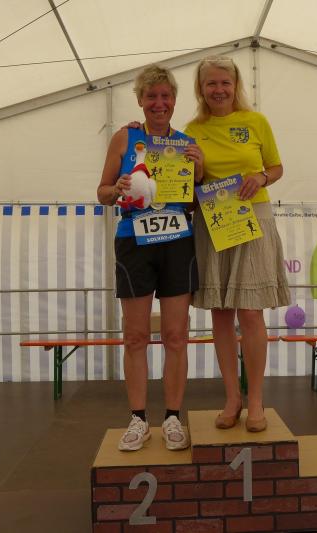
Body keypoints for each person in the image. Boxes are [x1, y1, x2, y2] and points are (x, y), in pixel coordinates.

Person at [96, 65, 204, 450]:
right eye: (151, 96)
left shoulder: (186, 143)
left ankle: (173, 417)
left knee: (176, 335)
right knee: (136, 336)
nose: (159, 103)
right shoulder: (125, 137)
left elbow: (195, 203)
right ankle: (138, 419)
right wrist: (117, 188)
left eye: (165, 96)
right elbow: (102, 193)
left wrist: (199, 169)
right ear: (140, 100)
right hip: (134, 242)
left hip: (177, 242)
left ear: (174, 100)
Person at [184, 55, 290, 432]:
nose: (218, 90)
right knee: (220, 313)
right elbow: (187, 185)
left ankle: (256, 399)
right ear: (201, 89)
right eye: (211, 83)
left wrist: (261, 178)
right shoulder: (192, 130)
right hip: (214, 221)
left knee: (250, 312)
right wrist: (196, 171)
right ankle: (232, 398)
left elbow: (276, 167)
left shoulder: (256, 121)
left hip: (254, 219)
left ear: (235, 86)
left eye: (224, 83)